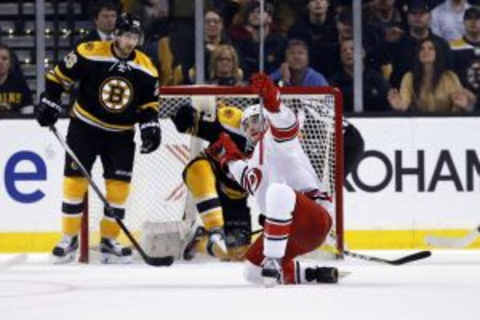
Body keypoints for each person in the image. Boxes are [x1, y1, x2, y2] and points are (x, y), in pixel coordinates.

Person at [35, 13, 161, 264]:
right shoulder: (90, 52)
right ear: (115, 35)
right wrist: (50, 101)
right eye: (125, 35)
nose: (129, 41)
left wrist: (150, 128)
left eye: (134, 36)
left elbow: (149, 105)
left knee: (118, 190)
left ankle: (108, 241)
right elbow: (58, 76)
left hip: (121, 135)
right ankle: (69, 238)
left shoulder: (147, 68)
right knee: (74, 184)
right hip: (85, 128)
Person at [206, 73, 339, 286]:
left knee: (277, 191)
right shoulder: (253, 163)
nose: (252, 127)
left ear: (267, 121)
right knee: (251, 272)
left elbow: (286, 126)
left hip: (314, 219)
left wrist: (273, 102)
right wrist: (228, 158)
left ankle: (273, 260)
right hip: (287, 231)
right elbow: (245, 176)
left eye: (257, 120)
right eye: (246, 125)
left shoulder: (278, 140)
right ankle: (312, 274)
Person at [170, 101, 252, 261]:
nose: (255, 128)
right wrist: (186, 117)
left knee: (237, 255)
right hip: (210, 174)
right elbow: (189, 123)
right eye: (252, 121)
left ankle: (199, 242)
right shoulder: (232, 121)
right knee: (198, 169)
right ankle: (214, 229)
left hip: (235, 197)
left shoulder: (275, 150)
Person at [388, 37, 476, 112]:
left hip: (446, 124)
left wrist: (464, 105)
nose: (425, 51)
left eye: (431, 48)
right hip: (420, 124)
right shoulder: (409, 77)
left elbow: (458, 105)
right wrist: (399, 106)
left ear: (438, 53)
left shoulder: (450, 77)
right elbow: (404, 103)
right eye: (422, 48)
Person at [387, 0, 454, 88]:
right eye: (413, 13)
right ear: (407, 17)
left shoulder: (441, 44)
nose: (418, 17)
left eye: (422, 13)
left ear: (430, 17)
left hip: (434, 95)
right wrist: (387, 42)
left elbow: (449, 73)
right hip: (402, 94)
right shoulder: (397, 42)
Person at [329, 38, 391, 112]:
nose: (348, 52)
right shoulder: (334, 83)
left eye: (352, 49)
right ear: (341, 57)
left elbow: (388, 108)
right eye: (344, 50)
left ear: (363, 53)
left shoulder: (377, 80)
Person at [449, 6, 480, 110]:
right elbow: (450, 76)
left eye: (477, 18)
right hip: (463, 100)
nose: (473, 22)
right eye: (469, 18)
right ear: (463, 22)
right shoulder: (453, 47)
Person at [0, 43, 34, 115]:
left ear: (10, 63)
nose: (0, 62)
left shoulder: (20, 85)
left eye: (4, 59)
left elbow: (28, 115)